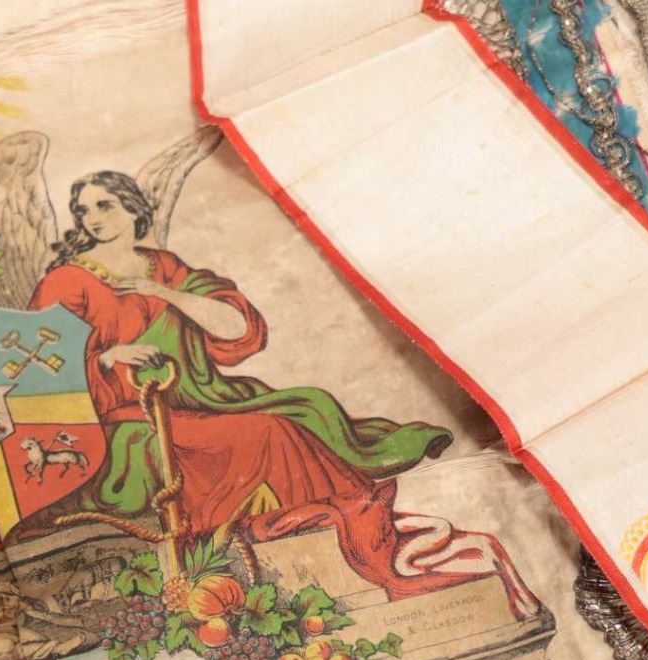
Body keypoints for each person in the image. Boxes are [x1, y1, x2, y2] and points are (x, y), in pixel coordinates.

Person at [29, 170, 539, 619]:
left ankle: (350, 537)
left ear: (132, 207)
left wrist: (164, 294)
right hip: (126, 416)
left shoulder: (162, 267)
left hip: (199, 401)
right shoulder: (67, 281)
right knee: (262, 432)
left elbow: (235, 328)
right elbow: (41, 371)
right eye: (83, 211)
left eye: (104, 205)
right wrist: (107, 358)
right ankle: (335, 548)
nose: (93, 218)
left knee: (306, 410)